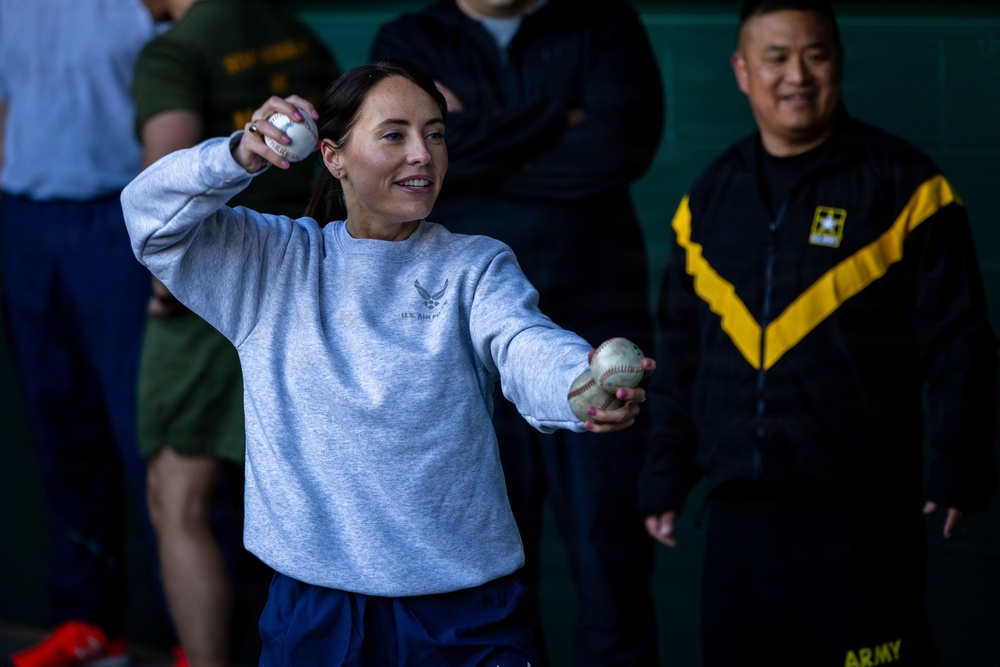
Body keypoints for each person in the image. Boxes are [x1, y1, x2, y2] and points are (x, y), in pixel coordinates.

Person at [121, 61, 655, 666]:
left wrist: (575, 383)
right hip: (315, 610)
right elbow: (147, 217)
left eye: (434, 134)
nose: (423, 155)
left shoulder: (474, 266)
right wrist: (238, 155)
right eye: (394, 134)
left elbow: (523, 341)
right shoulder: (272, 263)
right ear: (333, 156)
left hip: (465, 609)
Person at [639, 2, 998, 666]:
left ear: (838, 62)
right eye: (775, 57)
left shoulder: (909, 186)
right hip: (739, 515)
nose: (796, 75)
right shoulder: (707, 200)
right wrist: (665, 475)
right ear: (743, 71)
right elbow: (681, 350)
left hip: (861, 512)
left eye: (816, 55)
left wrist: (960, 463)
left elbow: (961, 342)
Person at [370, 2, 664, 663]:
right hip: (462, 355)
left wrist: (473, 138)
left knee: (613, 581)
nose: (435, 144)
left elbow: (619, 147)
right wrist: (557, 117)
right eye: (435, 131)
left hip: (594, 340)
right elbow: (412, 174)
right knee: (485, 583)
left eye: (436, 128)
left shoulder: (603, 23)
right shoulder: (408, 39)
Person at [129, 2, 339, 666]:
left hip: (210, 297)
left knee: (178, 499)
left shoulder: (173, 51)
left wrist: (167, 289)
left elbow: (168, 192)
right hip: (302, 282)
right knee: (300, 498)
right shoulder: (293, 31)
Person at [0, 2, 174, 666]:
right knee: (58, 427)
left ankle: (200, 635)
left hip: (119, 224)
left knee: (151, 441)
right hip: (29, 222)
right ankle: (91, 624)